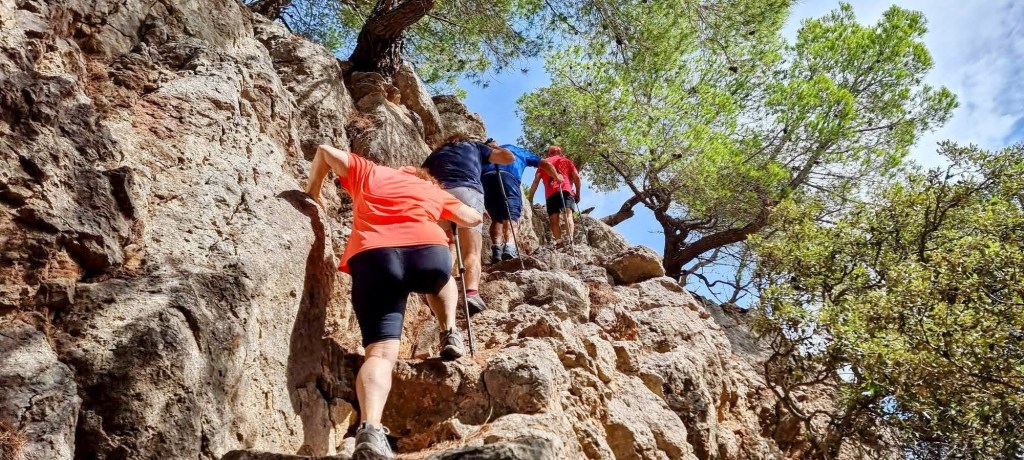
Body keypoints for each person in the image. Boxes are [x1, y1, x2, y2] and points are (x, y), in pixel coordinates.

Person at [306, 144, 482, 460]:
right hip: (427, 249)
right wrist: (447, 209)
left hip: (373, 256)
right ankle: (450, 330)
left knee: (381, 353)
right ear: (426, 178)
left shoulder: (370, 170)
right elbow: (471, 217)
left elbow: (325, 152)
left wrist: (313, 192)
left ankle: (370, 429)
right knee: (440, 278)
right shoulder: (431, 189)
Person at [422, 134, 514, 314]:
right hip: (469, 191)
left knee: (448, 246)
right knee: (471, 250)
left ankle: (441, 292)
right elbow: (508, 158)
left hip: (440, 195)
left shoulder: (437, 153)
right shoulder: (476, 147)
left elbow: (422, 175)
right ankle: (471, 293)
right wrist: (495, 147)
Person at [481, 144, 560, 263]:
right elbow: (546, 164)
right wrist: (557, 177)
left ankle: (496, 250)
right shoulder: (520, 151)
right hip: (509, 178)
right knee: (511, 215)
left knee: (496, 218)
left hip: (486, 178)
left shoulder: (490, 150)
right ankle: (510, 247)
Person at [528, 145, 581, 241]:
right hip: (565, 189)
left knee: (554, 219)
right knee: (568, 215)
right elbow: (577, 177)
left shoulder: (543, 164)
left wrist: (530, 199)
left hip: (550, 193)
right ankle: (570, 239)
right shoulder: (567, 161)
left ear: (549, 153)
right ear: (560, 152)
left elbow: (536, 181)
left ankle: (558, 240)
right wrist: (577, 194)